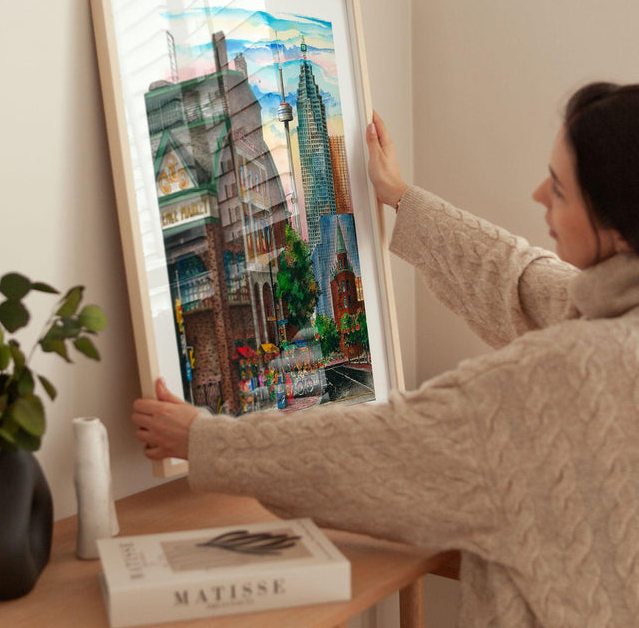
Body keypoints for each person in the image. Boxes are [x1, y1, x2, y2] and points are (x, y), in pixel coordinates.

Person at [132, 82, 639, 628]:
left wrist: (203, 440)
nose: (539, 194)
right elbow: (519, 280)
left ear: (616, 227)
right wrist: (400, 196)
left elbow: (380, 449)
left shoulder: (559, 377)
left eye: (560, 190)